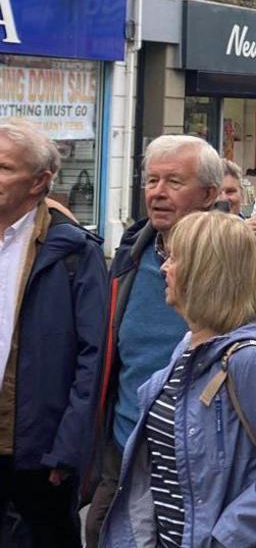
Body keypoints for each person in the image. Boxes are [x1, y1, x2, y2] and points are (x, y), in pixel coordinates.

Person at [85, 135, 256, 547]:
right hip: (125, 455)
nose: (158, 193)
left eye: (174, 182)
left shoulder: (239, 257)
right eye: (152, 180)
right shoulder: (132, 251)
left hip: (205, 472)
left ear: (210, 193)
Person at [98, 212, 256, 548]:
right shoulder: (189, 345)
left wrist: (224, 537)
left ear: (206, 272)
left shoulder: (251, 360)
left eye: (174, 258)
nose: (163, 268)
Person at [0, 120, 107, 547]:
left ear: (39, 181)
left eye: (5, 167)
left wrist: (66, 448)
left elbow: (91, 358)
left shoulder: (76, 252)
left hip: (37, 454)